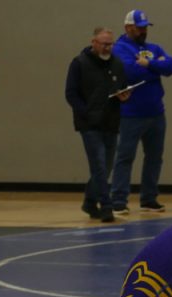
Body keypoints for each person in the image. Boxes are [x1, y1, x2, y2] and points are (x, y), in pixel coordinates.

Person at [110, 9, 172, 215]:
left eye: (145, 27)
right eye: (139, 27)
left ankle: (149, 199)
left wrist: (149, 63)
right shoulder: (120, 48)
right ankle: (118, 200)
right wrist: (157, 68)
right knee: (125, 157)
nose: (143, 30)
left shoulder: (153, 48)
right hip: (131, 113)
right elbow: (130, 71)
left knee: (155, 157)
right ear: (128, 27)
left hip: (156, 112)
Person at [65, 27, 131, 223]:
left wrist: (124, 95)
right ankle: (106, 206)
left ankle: (89, 201)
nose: (107, 47)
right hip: (89, 124)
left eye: (110, 44)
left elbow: (122, 86)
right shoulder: (79, 63)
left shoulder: (117, 64)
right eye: (104, 44)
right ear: (93, 42)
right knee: (99, 165)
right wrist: (85, 113)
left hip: (111, 122)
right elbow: (70, 93)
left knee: (106, 166)